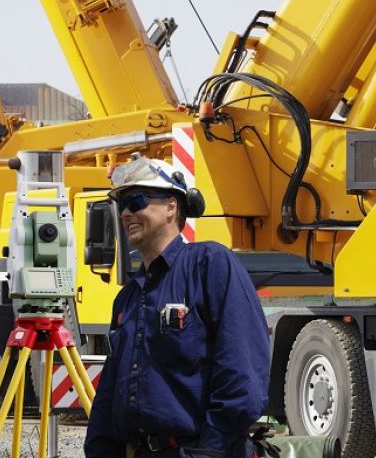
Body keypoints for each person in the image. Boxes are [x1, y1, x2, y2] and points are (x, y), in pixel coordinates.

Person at [85, 156, 271, 458]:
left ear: (171, 206)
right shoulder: (128, 296)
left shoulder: (209, 265)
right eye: (121, 205)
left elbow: (242, 378)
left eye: (136, 201)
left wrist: (208, 451)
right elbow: (109, 392)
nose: (126, 212)